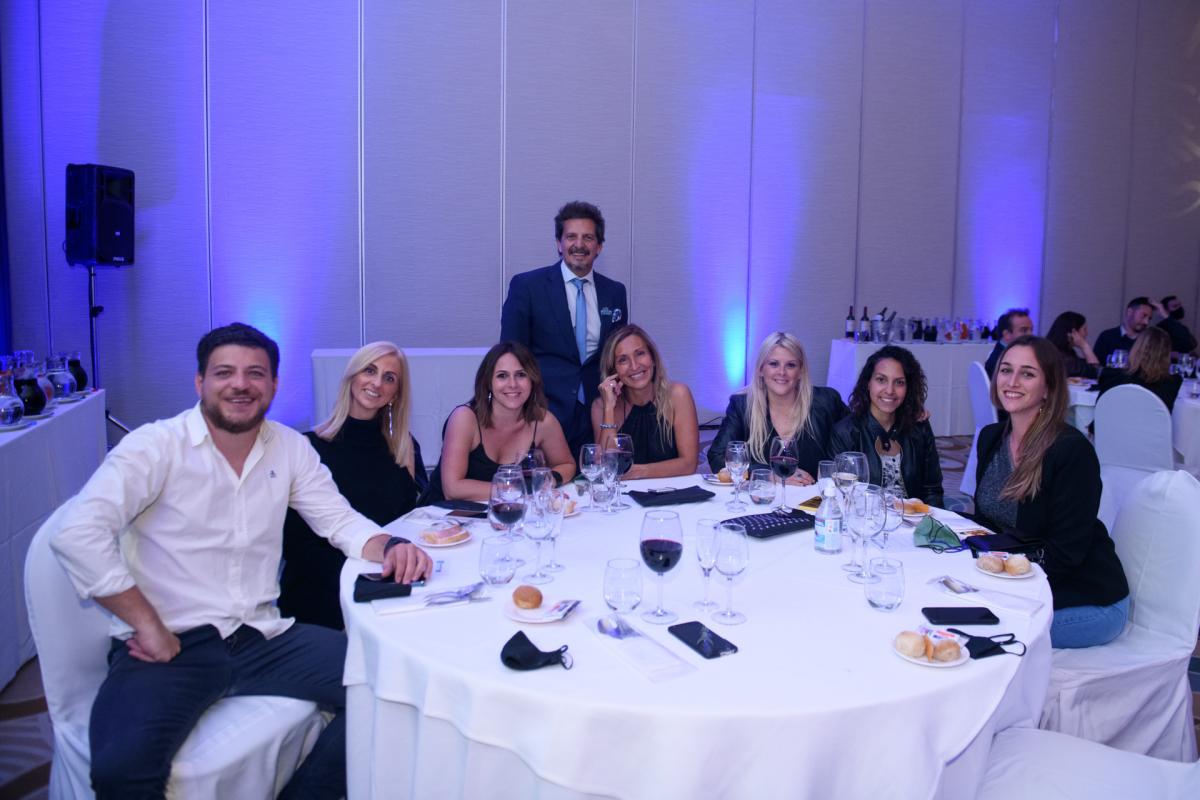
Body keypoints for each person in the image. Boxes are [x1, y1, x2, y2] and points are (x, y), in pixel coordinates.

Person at [49, 323, 432, 799]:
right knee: (120, 772)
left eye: (255, 373)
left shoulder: (289, 448)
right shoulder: (156, 446)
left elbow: (338, 520)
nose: (240, 384)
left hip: (261, 635)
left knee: (390, 688)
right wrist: (146, 623)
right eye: (224, 372)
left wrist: (389, 546)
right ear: (200, 382)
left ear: (273, 384)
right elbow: (77, 533)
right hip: (172, 642)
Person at [973, 335, 1129, 649]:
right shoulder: (991, 438)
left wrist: (1005, 586)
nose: (1012, 382)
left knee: (985, 634)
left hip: (1087, 598)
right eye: (1006, 370)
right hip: (1024, 583)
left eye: (1027, 374)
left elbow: (1066, 553)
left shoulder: (1071, 451)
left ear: (1048, 388)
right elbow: (989, 525)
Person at [280, 342, 427, 631]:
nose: (377, 383)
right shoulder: (307, 447)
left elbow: (407, 522)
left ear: (395, 394)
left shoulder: (404, 449)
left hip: (384, 586)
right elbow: (295, 545)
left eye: (389, 378)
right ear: (352, 377)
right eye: (369, 371)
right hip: (320, 598)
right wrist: (363, 576)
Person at [500, 201, 629, 457]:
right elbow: (510, 354)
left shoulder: (615, 292)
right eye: (571, 237)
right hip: (543, 413)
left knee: (597, 476)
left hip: (597, 412)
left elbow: (618, 355)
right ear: (559, 244)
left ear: (599, 246)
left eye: (588, 237)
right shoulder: (528, 287)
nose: (579, 245)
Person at [426, 341, 575, 502]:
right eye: (502, 376)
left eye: (521, 375)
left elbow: (567, 464)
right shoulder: (464, 418)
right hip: (440, 513)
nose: (512, 384)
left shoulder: (542, 421)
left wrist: (547, 481)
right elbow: (453, 489)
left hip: (505, 512)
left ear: (532, 380)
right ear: (488, 382)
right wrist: (519, 489)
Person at [708, 332, 847, 484]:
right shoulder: (742, 406)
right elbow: (718, 457)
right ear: (761, 369)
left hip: (816, 495)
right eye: (774, 364)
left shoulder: (826, 402)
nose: (782, 372)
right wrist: (770, 475)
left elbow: (854, 449)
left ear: (801, 371)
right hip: (763, 495)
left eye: (791, 365)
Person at [829, 345, 944, 507]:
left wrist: (932, 521)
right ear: (868, 383)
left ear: (908, 387)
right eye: (881, 380)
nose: (890, 390)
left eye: (899, 382)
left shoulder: (919, 427)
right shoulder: (845, 432)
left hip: (913, 518)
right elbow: (839, 494)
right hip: (864, 518)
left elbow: (932, 489)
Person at [590, 324, 699, 478]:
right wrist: (609, 408)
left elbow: (689, 464)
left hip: (674, 490)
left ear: (653, 358)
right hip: (623, 492)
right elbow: (607, 469)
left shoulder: (678, 395)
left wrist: (637, 471)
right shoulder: (601, 406)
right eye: (623, 360)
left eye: (640, 354)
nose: (634, 366)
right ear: (614, 370)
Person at [1096, 326, 1182, 412]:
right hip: (1150, 421)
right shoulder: (1173, 383)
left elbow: (1100, 408)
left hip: (1112, 420)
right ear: (1167, 355)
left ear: (1136, 348)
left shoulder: (1112, 376)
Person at [1093, 296, 1152, 366]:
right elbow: (1095, 367)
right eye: (1143, 316)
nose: (1146, 322)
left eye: (1149, 319)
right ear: (1130, 312)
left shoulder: (1148, 341)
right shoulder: (1107, 336)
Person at [1045, 311, 1101, 379]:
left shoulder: (1065, 351)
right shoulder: (1061, 357)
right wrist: (1084, 346)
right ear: (1073, 333)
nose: (1087, 333)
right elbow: (1096, 372)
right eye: (1084, 329)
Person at [984, 308, 1034, 378]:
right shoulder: (1002, 362)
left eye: (1031, 330)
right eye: (1024, 330)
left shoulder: (1005, 354)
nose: (1030, 334)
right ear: (1007, 334)